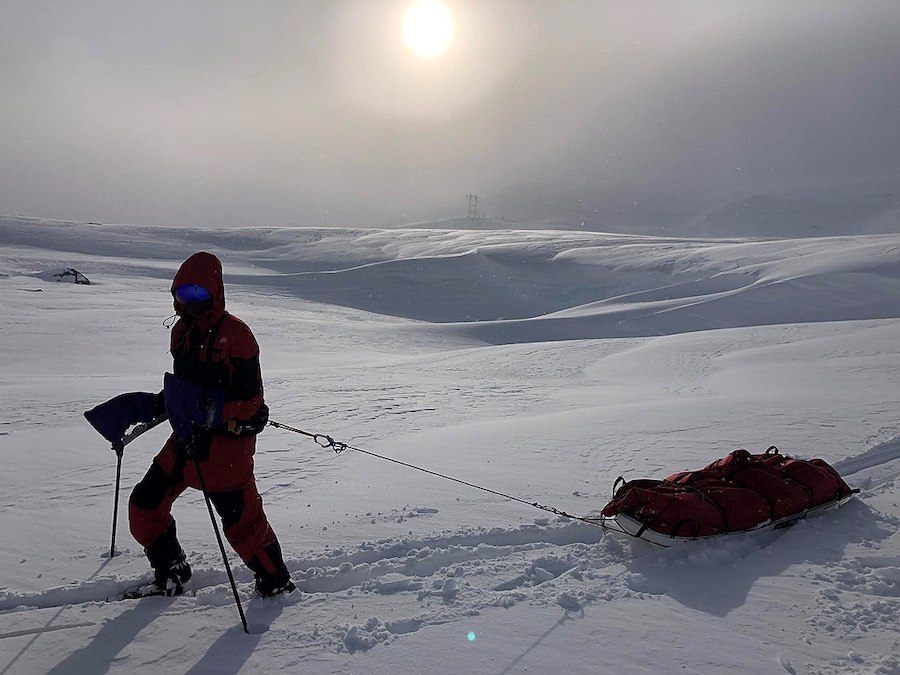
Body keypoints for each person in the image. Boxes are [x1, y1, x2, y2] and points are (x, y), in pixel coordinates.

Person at [85, 251, 294, 598]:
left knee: (244, 528)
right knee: (144, 507)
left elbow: (251, 401)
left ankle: (276, 585)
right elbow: (183, 389)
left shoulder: (238, 336)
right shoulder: (180, 332)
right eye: (184, 295)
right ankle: (172, 571)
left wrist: (210, 411)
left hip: (226, 452)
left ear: (215, 292)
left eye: (199, 293)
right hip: (184, 443)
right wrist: (148, 405)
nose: (191, 302)